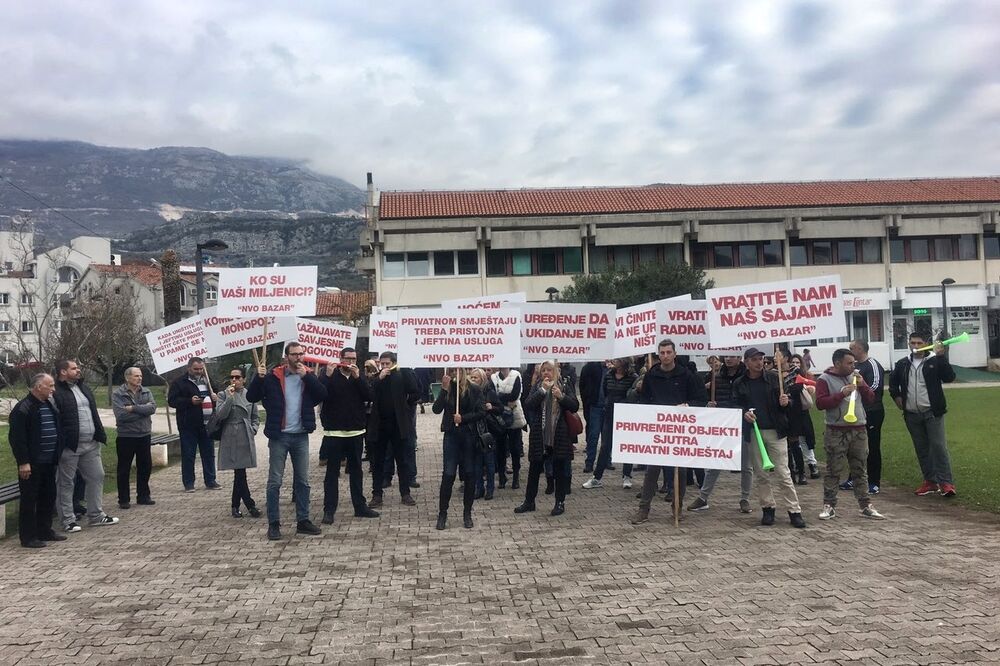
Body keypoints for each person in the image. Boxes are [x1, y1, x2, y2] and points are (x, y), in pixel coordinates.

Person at [247, 342, 327, 541]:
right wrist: (259, 377)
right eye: (294, 354)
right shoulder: (274, 376)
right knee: (275, 481)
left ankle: (303, 521)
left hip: (300, 435)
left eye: (301, 354)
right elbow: (252, 396)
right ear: (286, 357)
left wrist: (307, 377)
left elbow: (322, 395)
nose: (298, 358)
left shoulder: (307, 375)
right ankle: (273, 523)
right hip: (279, 435)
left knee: (303, 481)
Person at [629, 340, 707, 525]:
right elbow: (645, 400)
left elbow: (700, 399)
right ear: (658, 355)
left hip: (680, 430)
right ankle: (644, 509)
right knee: (652, 471)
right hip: (658, 429)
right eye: (662, 353)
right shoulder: (651, 375)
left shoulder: (687, 375)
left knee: (679, 471)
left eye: (668, 352)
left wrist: (687, 406)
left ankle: (677, 508)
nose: (665, 356)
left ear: (674, 354)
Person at [732, 348, 806, 529]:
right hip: (754, 432)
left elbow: (790, 404)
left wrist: (786, 402)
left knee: (783, 472)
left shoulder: (774, 378)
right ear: (746, 362)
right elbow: (735, 405)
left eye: (761, 359)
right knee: (761, 474)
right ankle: (768, 508)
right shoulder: (740, 383)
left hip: (775, 431)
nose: (759, 362)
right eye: (755, 359)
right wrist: (744, 414)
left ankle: (794, 510)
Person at [814, 348, 885, 520]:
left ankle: (865, 505)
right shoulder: (824, 379)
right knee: (833, 470)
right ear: (837, 363)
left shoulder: (856, 377)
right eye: (849, 363)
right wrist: (841, 394)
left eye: (854, 362)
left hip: (858, 429)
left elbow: (870, 398)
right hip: (836, 430)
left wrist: (863, 386)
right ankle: (829, 505)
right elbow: (821, 403)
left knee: (860, 469)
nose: (853, 366)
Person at [888, 331, 957, 497]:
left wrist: (941, 357)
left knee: (939, 447)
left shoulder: (934, 360)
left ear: (927, 343)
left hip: (932, 412)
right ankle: (930, 481)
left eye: (919, 343)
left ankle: (946, 482)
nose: (916, 346)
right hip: (912, 414)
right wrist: (897, 397)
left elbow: (949, 377)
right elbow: (893, 382)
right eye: (913, 343)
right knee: (922, 448)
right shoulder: (903, 363)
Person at [53, 359, 118, 532]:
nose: (78, 370)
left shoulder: (83, 387)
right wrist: (62, 442)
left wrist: (99, 434)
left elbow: (93, 413)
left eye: (78, 367)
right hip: (70, 446)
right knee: (66, 483)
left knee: (97, 476)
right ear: (63, 372)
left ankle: (96, 515)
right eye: (74, 368)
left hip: (90, 444)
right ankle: (68, 520)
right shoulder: (56, 392)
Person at [318, 347, 380, 524]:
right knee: (331, 473)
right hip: (334, 432)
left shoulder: (357, 377)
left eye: (354, 359)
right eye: (348, 359)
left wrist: (358, 378)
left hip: (355, 431)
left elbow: (370, 395)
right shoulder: (329, 374)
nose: (351, 363)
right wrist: (327, 376)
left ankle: (360, 506)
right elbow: (319, 393)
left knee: (356, 471)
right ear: (340, 359)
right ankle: (329, 510)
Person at [686, 355, 754, 513]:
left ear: (739, 358)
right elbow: (709, 399)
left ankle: (745, 498)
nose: (729, 359)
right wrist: (710, 405)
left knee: (746, 466)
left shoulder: (747, 378)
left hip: (743, 426)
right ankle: (703, 497)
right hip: (724, 426)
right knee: (715, 463)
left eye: (732, 356)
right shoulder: (717, 377)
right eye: (727, 356)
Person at [514, 360, 579, 516]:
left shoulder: (563, 384)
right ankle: (529, 501)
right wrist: (542, 391)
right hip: (540, 434)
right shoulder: (538, 386)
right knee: (534, 468)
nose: (546, 373)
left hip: (559, 434)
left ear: (555, 371)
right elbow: (528, 404)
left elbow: (574, 405)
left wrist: (561, 397)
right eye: (543, 370)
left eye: (549, 370)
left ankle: (559, 502)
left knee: (559, 469)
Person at [8, 373, 66, 548]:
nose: (53, 390)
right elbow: (17, 439)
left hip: (49, 461)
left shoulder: (48, 404)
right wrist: (23, 462)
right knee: (29, 499)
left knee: (48, 496)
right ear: (39, 387)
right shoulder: (23, 408)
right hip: (32, 463)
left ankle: (44, 530)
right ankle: (28, 537)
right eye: (50, 386)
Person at [432, 368, 485, 529]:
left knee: (469, 473)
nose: (456, 374)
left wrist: (464, 418)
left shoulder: (474, 389)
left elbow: (481, 412)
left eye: (459, 371)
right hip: (451, 436)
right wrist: (443, 389)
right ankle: (443, 513)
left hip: (468, 436)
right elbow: (436, 409)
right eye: (454, 371)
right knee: (448, 474)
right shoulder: (449, 388)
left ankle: (467, 513)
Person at [369, 351, 420, 509]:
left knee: (402, 460)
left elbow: (415, 392)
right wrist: (380, 378)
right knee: (378, 461)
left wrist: (406, 406)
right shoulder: (376, 378)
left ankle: (405, 492)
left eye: (387, 364)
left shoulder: (402, 374)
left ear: (394, 363)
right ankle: (377, 494)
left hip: (398, 425)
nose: (384, 366)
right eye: (382, 364)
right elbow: (369, 393)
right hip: (380, 425)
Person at [167, 357, 221, 492]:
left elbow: (216, 394)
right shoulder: (180, 382)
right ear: (189, 368)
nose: (199, 371)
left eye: (201, 368)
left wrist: (217, 397)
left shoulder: (207, 380)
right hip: (188, 424)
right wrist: (189, 401)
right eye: (196, 369)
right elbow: (172, 401)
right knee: (189, 454)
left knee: (208, 453)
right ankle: (189, 483)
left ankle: (210, 480)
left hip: (207, 424)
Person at [582, 358, 637, 489]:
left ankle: (626, 475)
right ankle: (597, 477)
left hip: (625, 415)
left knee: (626, 445)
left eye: (617, 360)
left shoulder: (633, 377)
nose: (613, 361)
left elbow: (633, 395)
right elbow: (606, 392)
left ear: (624, 362)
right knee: (606, 445)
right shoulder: (609, 375)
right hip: (609, 414)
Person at [215, 368, 261, 518]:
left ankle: (237, 506)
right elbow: (220, 415)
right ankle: (249, 505)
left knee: (240, 472)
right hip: (231, 436)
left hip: (245, 434)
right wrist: (229, 398)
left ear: (244, 379)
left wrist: (253, 429)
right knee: (239, 472)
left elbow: (255, 416)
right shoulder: (223, 394)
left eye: (238, 377)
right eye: (232, 377)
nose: (234, 380)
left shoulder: (250, 394)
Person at [112, 367, 157, 509]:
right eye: (136, 376)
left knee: (145, 466)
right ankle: (123, 499)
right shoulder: (118, 394)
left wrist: (133, 408)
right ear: (127, 378)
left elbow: (153, 408)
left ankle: (143, 496)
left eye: (141, 376)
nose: (139, 378)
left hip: (144, 434)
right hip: (126, 436)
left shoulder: (146, 391)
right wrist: (143, 410)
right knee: (124, 468)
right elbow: (121, 415)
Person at [849, 339, 887, 494]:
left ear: (860, 348)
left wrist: (858, 387)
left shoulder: (873, 365)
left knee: (871, 446)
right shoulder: (854, 366)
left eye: (852, 348)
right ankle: (854, 477)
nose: (850, 351)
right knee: (854, 447)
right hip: (857, 412)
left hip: (872, 411)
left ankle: (874, 481)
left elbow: (874, 388)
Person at [491, 366, 526, 489]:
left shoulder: (516, 375)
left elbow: (515, 396)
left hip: (514, 416)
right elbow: (493, 396)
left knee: (515, 448)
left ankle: (516, 476)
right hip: (499, 417)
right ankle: (501, 476)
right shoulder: (493, 377)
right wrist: (503, 398)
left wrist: (501, 397)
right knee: (500, 448)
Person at [469, 368, 500, 500]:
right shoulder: (469, 393)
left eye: (476, 377)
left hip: (487, 432)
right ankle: (479, 488)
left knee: (489, 462)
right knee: (477, 463)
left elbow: (500, 409)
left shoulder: (490, 392)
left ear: (482, 379)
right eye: (472, 377)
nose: (473, 379)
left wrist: (491, 407)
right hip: (474, 431)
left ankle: (490, 489)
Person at [578, 360, 606, 473]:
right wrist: (587, 400)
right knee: (593, 436)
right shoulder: (591, 367)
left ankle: (606, 461)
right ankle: (589, 463)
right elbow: (583, 386)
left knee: (606, 437)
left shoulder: (612, 371)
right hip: (595, 406)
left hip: (608, 407)